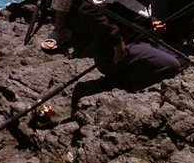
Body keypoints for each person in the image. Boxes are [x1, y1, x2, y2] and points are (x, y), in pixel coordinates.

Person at [30, 14, 185, 126]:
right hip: (117, 49)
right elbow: (91, 10)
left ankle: (114, 83)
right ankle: (110, 84)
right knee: (171, 65)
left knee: (181, 61)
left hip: (141, 40)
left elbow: (137, 12)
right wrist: (117, 42)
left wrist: (152, 22)